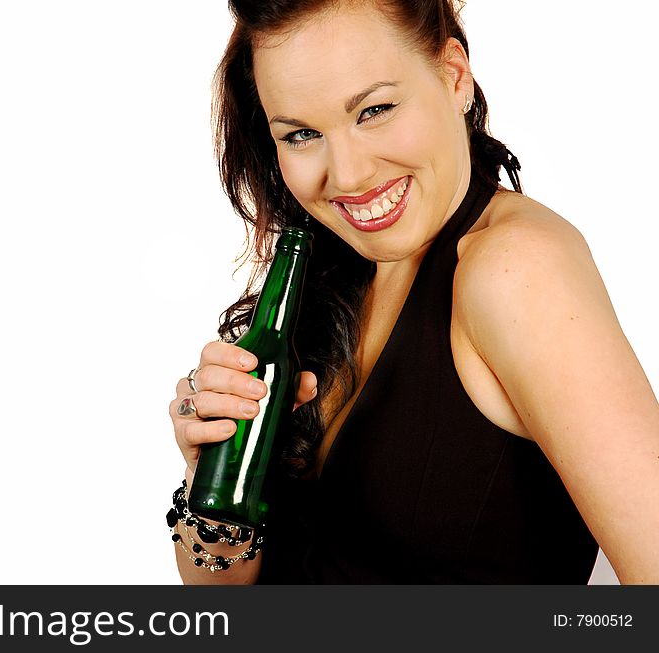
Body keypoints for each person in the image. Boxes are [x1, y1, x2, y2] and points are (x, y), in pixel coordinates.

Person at [167, 0, 659, 584]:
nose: (347, 176)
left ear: (454, 77)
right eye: (301, 133)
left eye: (374, 109)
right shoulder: (335, 272)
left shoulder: (515, 269)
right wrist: (213, 480)